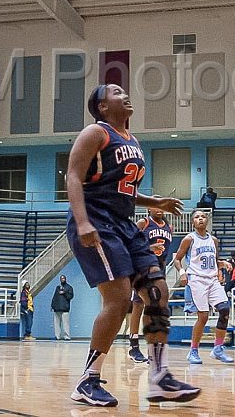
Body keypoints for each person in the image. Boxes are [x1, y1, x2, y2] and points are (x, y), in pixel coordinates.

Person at [64, 84, 199, 407]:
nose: (124, 94)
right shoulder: (95, 133)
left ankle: (159, 377)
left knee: (157, 292)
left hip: (123, 224)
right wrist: (82, 222)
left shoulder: (133, 141)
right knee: (120, 296)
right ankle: (88, 379)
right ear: (102, 106)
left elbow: (122, 190)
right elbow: (72, 176)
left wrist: (155, 201)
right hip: (97, 221)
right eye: (114, 91)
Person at [174, 210, 233, 365]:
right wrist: (181, 272)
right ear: (192, 222)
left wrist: (222, 263)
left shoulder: (213, 240)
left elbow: (213, 260)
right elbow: (177, 259)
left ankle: (218, 349)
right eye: (196, 217)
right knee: (203, 316)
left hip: (212, 279)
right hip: (196, 280)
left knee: (225, 309)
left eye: (203, 217)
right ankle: (193, 351)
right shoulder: (189, 239)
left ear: (207, 220)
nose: (200, 219)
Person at [127, 206, 173, 363]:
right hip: (143, 265)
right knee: (139, 304)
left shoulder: (169, 227)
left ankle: (154, 349)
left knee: (157, 306)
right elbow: (130, 243)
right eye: (155, 206)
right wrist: (149, 248)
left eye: (162, 207)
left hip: (159, 267)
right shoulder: (144, 223)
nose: (159, 209)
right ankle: (134, 346)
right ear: (148, 209)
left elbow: (165, 251)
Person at [51, 275, 74, 340]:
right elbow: (54, 297)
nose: (62, 279)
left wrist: (64, 293)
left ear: (65, 279)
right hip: (57, 308)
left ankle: (67, 336)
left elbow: (70, 297)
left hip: (65, 308)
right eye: (61, 278)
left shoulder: (69, 288)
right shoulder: (58, 287)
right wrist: (52, 305)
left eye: (63, 278)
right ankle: (57, 336)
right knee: (56, 324)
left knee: (65, 324)